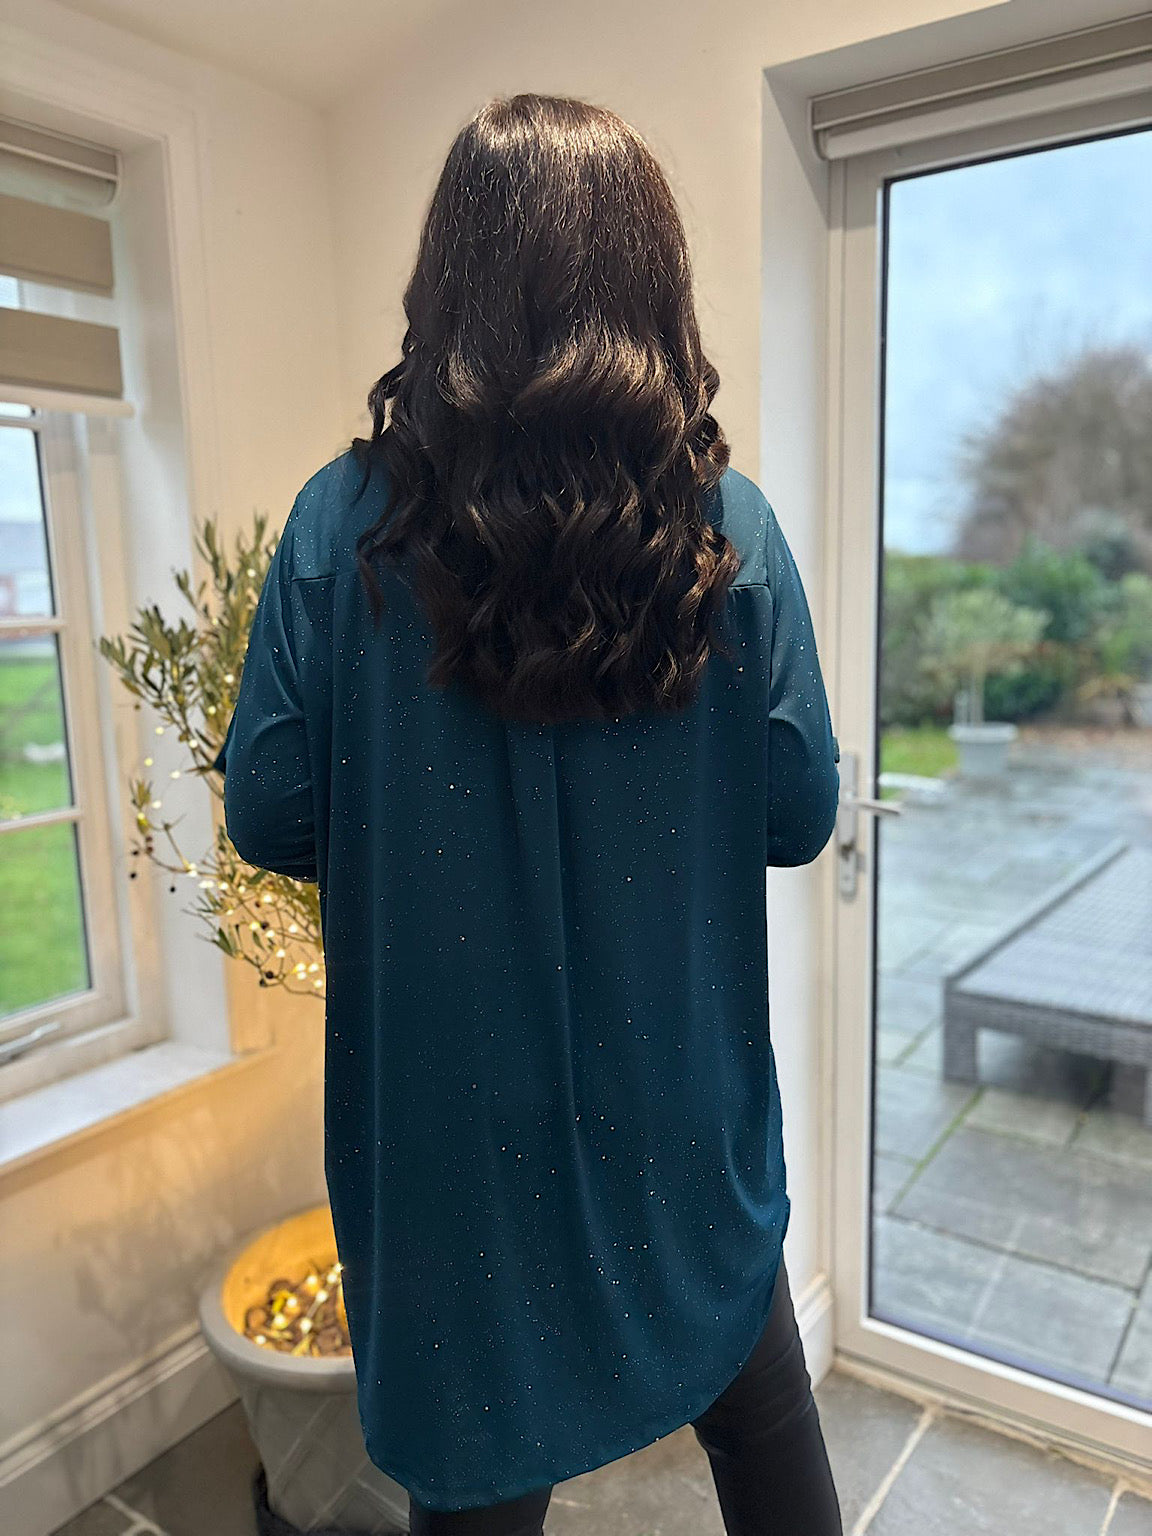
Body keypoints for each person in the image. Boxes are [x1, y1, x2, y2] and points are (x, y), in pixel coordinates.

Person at [219, 92, 843, 1536]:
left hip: (455, 1154)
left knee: (480, 1493)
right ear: (654, 287)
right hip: (681, 1124)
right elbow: (802, 807)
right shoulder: (730, 532)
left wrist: (418, 818)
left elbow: (269, 808)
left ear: (446, 280)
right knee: (766, 1433)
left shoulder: (338, 528)